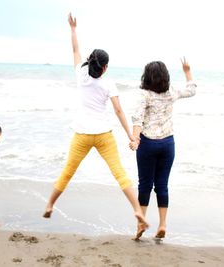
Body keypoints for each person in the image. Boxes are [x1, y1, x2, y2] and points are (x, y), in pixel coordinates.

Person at [43, 13, 149, 235]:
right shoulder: (108, 84)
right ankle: (137, 211)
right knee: (119, 173)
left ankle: (50, 204)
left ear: (90, 62)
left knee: (67, 172)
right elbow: (119, 111)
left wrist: (73, 29)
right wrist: (131, 135)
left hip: (81, 134)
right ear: (105, 67)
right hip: (103, 135)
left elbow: (74, 51)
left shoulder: (81, 74)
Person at [130, 58, 196, 239]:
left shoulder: (145, 94)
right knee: (162, 185)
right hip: (168, 144)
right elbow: (192, 90)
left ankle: (140, 224)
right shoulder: (171, 92)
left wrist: (135, 139)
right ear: (165, 77)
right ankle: (163, 224)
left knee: (145, 185)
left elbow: (138, 118)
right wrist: (187, 71)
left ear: (147, 77)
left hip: (148, 144)